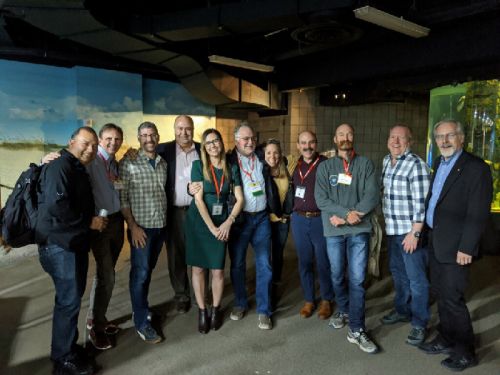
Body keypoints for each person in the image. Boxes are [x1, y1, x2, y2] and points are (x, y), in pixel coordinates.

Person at [419, 120, 493, 371]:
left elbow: (478, 213)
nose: (444, 141)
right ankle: (446, 337)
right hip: (436, 241)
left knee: (453, 300)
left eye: (450, 135)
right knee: (441, 295)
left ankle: (465, 352)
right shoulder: (440, 162)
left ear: (461, 138)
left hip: (456, 248)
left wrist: (466, 248)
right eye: (440, 137)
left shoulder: (476, 168)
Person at [36, 126, 107, 375]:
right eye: (85, 143)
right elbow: (57, 208)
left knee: (70, 300)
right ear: (71, 141)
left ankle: (68, 348)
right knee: (68, 302)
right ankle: (63, 359)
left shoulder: (74, 166)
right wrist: (89, 222)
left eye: (94, 145)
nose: (90, 149)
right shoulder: (60, 166)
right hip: (60, 247)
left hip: (70, 246)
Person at [315, 123, 380, 354]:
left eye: (349, 133)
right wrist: (344, 215)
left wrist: (350, 217)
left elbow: (372, 195)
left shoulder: (365, 164)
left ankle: (357, 328)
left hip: (358, 230)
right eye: (341, 134)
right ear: (335, 139)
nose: (345, 137)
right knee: (336, 274)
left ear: (354, 137)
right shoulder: (325, 167)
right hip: (333, 231)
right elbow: (321, 198)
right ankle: (343, 309)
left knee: (357, 278)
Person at [185, 129, 244, 333]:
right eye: (208, 143)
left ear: (221, 142)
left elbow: (240, 199)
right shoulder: (198, 166)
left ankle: (216, 309)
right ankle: (202, 310)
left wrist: (228, 222)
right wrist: (211, 227)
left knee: (218, 270)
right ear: (204, 147)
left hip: (222, 222)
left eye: (216, 141)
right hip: (200, 222)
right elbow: (198, 200)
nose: (212, 145)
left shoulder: (231, 167)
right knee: (198, 269)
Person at [380, 124, 431, 346]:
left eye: (401, 138)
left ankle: (420, 324)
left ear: (409, 142)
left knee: (417, 280)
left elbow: (422, 205)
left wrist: (415, 234)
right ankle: (402, 310)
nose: (396, 141)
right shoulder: (386, 161)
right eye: (393, 137)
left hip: (409, 234)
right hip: (392, 231)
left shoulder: (416, 165)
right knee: (399, 274)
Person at [120, 121, 168, 344]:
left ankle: (142, 308)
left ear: (157, 137)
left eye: (152, 135)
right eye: (144, 135)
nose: (149, 139)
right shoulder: (128, 163)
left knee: (147, 271)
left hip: (160, 226)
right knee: (139, 274)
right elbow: (123, 198)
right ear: (138, 138)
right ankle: (141, 322)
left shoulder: (162, 163)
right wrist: (133, 226)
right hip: (141, 229)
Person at [228, 122, 273, 330]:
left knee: (264, 263)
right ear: (236, 141)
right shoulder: (229, 160)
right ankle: (240, 302)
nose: (250, 142)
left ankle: (264, 310)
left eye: (252, 138)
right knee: (237, 263)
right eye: (245, 139)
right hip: (240, 220)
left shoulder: (262, 157)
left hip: (262, 218)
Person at [85, 124, 125, 350]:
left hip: (117, 222)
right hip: (100, 226)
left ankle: (98, 317)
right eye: (109, 139)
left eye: (117, 139)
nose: (113, 142)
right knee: (106, 275)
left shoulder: (114, 163)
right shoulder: (91, 161)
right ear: (100, 139)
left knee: (105, 275)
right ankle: (95, 327)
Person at [157, 115, 201, 313]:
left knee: (201, 253)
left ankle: (201, 292)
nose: (184, 132)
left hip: (200, 211)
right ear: (174, 129)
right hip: (174, 213)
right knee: (177, 255)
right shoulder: (163, 150)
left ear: (193, 129)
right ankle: (182, 295)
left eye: (188, 128)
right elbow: (142, 156)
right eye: (180, 128)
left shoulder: (202, 149)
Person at [289, 131, 334, 319]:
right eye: (303, 143)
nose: (307, 146)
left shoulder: (326, 164)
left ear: (316, 144)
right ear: (298, 145)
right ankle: (309, 299)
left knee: (323, 262)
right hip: (299, 219)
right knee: (304, 261)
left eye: (311, 142)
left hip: (320, 219)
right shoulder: (293, 164)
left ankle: (326, 300)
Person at [261, 139, 293, 309]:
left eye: (275, 152)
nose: (272, 156)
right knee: (265, 257)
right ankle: (266, 291)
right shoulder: (261, 171)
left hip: (282, 221)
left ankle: (275, 285)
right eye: (268, 153)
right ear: (264, 154)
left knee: (278, 255)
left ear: (280, 154)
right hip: (266, 220)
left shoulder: (287, 170)